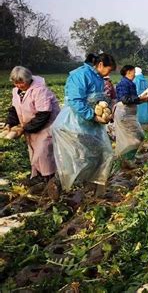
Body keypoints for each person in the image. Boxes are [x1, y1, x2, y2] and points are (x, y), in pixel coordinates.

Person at [51, 53, 116, 195]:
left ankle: (90, 189)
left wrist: (103, 112)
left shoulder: (98, 77)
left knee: (100, 154)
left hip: (89, 124)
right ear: (100, 65)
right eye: (109, 69)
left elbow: (96, 99)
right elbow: (76, 101)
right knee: (77, 158)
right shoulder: (80, 75)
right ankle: (59, 187)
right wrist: (93, 115)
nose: (109, 73)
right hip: (73, 124)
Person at [6, 66, 60, 191]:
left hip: (46, 126)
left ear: (29, 79)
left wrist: (24, 128)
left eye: (21, 82)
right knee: (34, 153)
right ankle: (39, 177)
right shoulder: (16, 91)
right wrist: (10, 122)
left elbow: (44, 114)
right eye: (15, 82)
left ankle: (50, 180)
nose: (19, 85)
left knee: (44, 153)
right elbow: (14, 109)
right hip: (31, 127)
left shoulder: (40, 90)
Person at [115, 65, 148, 169]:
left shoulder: (130, 83)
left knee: (137, 136)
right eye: (132, 71)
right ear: (128, 72)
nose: (134, 73)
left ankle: (128, 158)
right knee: (135, 137)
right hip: (124, 113)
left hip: (130, 114)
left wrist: (144, 99)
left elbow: (133, 99)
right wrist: (140, 98)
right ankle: (126, 159)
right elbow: (125, 99)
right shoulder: (123, 83)